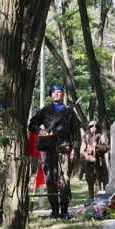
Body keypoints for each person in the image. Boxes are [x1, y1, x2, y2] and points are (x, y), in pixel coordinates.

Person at [28, 85, 80, 219]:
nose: (57, 94)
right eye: (54, 92)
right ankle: (54, 211)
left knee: (65, 179)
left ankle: (64, 210)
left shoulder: (69, 112)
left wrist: (74, 149)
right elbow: (32, 124)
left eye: (60, 92)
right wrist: (41, 131)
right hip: (49, 147)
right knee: (51, 178)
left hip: (65, 148)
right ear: (51, 95)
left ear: (63, 95)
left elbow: (76, 132)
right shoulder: (46, 110)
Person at [80, 121, 109, 203]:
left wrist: (97, 146)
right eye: (92, 126)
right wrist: (88, 157)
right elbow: (82, 151)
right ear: (89, 128)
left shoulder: (101, 137)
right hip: (89, 163)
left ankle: (98, 201)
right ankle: (91, 200)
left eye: (95, 126)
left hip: (98, 163)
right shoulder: (85, 137)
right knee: (90, 182)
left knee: (98, 181)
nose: (94, 128)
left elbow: (106, 147)